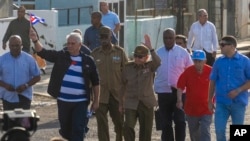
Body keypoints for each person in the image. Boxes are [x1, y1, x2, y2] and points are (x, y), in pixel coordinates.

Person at [30, 28, 100, 141]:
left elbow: (96, 82)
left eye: (73, 43)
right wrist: (35, 40)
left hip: (80, 102)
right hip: (63, 101)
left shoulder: (88, 60)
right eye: (68, 43)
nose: (70, 46)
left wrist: (96, 100)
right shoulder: (61, 56)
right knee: (65, 131)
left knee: (78, 129)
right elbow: (43, 52)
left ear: (80, 45)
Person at [208, 35, 250, 141]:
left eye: (222, 45)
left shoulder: (245, 61)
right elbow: (212, 81)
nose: (220, 47)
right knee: (219, 131)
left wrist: (238, 90)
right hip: (221, 102)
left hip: (239, 103)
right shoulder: (218, 61)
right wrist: (209, 100)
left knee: (239, 133)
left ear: (232, 46)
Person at [154, 28, 193, 141]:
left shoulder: (183, 52)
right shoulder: (158, 53)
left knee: (180, 121)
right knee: (165, 123)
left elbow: (189, 71)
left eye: (170, 38)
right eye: (165, 38)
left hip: (179, 94)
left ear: (175, 38)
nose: (168, 40)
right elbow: (151, 71)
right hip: (163, 93)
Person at [119, 34, 161, 141]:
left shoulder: (150, 66)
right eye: (135, 56)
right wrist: (120, 103)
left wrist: (151, 48)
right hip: (130, 102)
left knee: (146, 132)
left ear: (146, 57)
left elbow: (158, 62)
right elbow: (122, 85)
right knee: (127, 126)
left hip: (146, 103)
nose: (137, 58)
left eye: (140, 57)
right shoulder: (127, 67)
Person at [91, 26, 128, 141]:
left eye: (106, 36)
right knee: (102, 125)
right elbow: (90, 76)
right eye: (101, 37)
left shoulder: (119, 52)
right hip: (100, 95)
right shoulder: (95, 54)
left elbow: (126, 73)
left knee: (119, 123)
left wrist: (126, 94)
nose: (104, 39)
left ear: (110, 37)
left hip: (117, 95)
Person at [176, 50, 213, 141]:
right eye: (195, 61)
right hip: (192, 108)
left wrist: (214, 100)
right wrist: (179, 100)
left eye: (200, 61)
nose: (197, 64)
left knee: (205, 130)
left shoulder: (211, 71)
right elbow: (180, 87)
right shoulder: (188, 71)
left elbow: (218, 86)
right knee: (194, 133)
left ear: (205, 61)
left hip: (206, 108)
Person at [0, 35, 41, 110]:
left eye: (17, 45)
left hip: (24, 97)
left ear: (21, 45)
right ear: (9, 46)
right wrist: (5, 85)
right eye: (12, 46)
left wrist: (26, 85)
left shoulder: (29, 59)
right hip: (8, 97)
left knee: (24, 121)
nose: (15, 48)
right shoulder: (2, 60)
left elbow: (37, 76)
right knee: (9, 121)